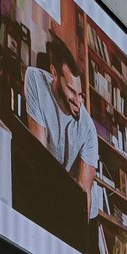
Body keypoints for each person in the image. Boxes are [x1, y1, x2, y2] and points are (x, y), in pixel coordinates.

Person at [24, 39, 98, 221]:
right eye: (71, 91)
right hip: (51, 184)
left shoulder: (88, 128)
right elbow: (39, 160)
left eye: (80, 94)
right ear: (54, 74)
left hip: (77, 200)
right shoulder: (35, 80)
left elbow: (84, 194)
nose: (78, 102)